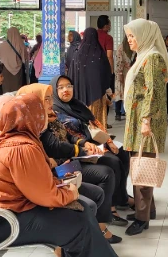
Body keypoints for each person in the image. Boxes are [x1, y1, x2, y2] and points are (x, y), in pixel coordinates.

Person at [0, 94, 153, 257]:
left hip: (10, 211)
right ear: (30, 117)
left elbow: (36, 185)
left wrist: (64, 190)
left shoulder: (18, 139)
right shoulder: (21, 147)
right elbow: (45, 195)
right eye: (40, 112)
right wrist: (70, 192)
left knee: (82, 210)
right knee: (77, 221)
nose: (46, 116)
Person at [17, 83, 127, 240]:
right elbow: (55, 147)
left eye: (50, 98)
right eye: (45, 99)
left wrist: (82, 143)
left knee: (114, 160)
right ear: (34, 102)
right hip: (57, 170)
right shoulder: (35, 126)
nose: (50, 103)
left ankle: (108, 215)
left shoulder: (51, 117)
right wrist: (80, 151)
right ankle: (101, 226)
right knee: (106, 173)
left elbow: (68, 136)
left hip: (66, 162)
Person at [51, 75, 133, 224]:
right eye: (60, 87)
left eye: (69, 86)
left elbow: (94, 123)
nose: (66, 90)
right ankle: (110, 208)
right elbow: (65, 140)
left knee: (122, 153)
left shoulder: (77, 105)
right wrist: (84, 147)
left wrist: (108, 141)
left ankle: (122, 197)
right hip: (70, 160)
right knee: (112, 163)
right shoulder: (54, 113)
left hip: (88, 145)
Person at [123, 19, 168, 236]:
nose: (129, 40)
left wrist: (146, 120)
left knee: (143, 169)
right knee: (139, 163)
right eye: (129, 36)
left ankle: (142, 219)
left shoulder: (152, 58)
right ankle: (148, 210)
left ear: (144, 36)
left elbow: (155, 92)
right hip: (139, 119)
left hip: (145, 121)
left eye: (133, 36)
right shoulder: (143, 56)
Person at [73, 28, 112, 129]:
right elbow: (107, 73)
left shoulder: (78, 55)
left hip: (80, 95)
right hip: (98, 95)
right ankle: (100, 142)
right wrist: (107, 89)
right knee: (98, 123)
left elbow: (72, 75)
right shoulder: (100, 54)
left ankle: (85, 143)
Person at [0, 27, 29, 93]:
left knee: (6, 89)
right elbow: (25, 58)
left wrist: (6, 60)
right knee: (17, 90)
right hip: (18, 72)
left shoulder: (3, 45)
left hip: (6, 71)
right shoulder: (21, 45)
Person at [114, 36, 132, 122]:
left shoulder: (135, 46)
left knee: (129, 93)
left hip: (131, 73)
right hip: (122, 72)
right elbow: (118, 61)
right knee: (120, 93)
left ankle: (128, 112)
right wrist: (120, 73)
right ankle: (118, 113)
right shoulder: (121, 47)